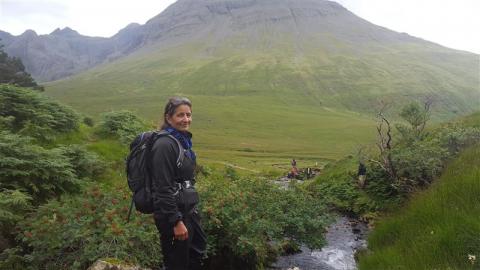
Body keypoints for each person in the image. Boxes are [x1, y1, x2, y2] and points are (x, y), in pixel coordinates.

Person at [151, 97, 206, 270]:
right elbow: (162, 188)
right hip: (173, 216)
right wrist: (176, 221)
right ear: (169, 118)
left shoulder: (183, 143)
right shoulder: (164, 145)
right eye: (180, 115)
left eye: (188, 115)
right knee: (178, 263)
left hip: (189, 212)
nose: (186, 119)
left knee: (196, 255)